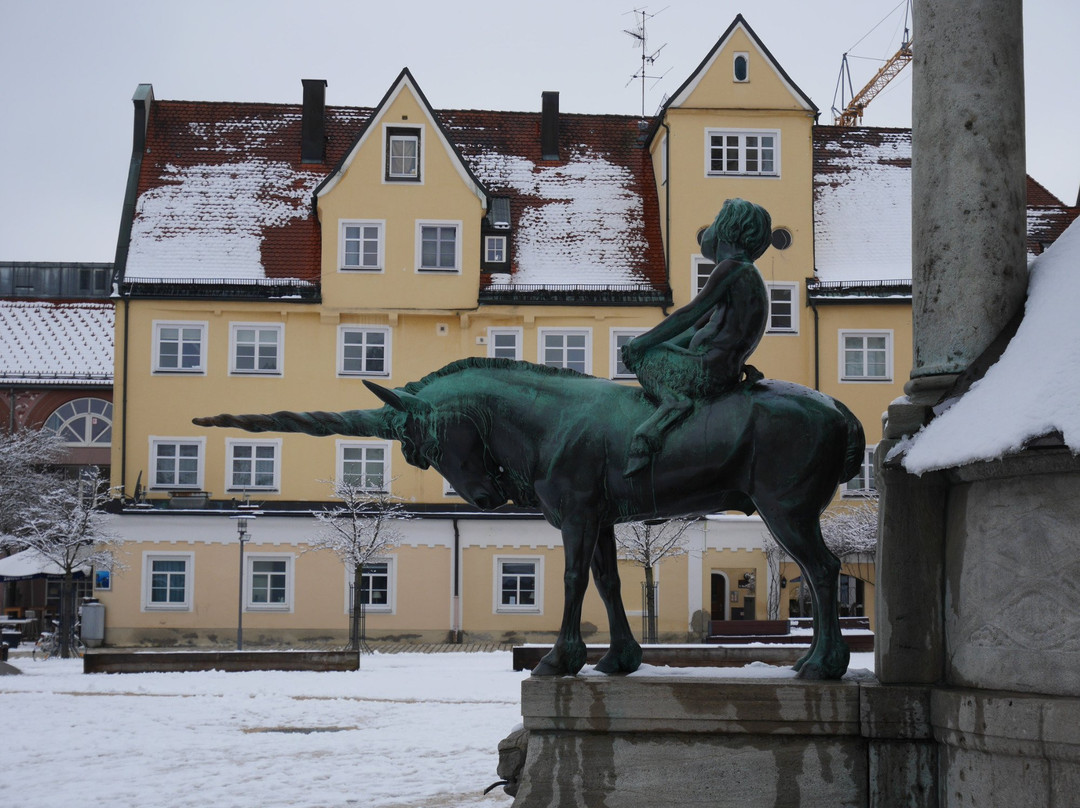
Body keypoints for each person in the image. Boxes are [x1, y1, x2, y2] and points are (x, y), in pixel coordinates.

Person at [621, 198, 772, 476]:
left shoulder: (732, 267)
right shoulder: (745, 273)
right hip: (719, 368)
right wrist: (658, 345)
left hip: (708, 369)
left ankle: (671, 405)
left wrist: (640, 346)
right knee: (650, 353)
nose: (709, 229)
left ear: (728, 228)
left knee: (645, 359)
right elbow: (693, 329)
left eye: (715, 220)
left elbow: (688, 314)